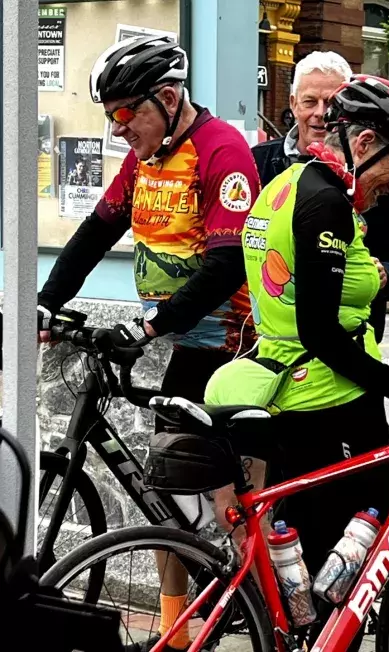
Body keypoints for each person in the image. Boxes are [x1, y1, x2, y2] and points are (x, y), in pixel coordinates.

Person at [36, 36, 260, 651]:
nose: (117, 129)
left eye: (123, 113)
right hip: (182, 344)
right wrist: (47, 300)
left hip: (230, 352)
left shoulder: (223, 151)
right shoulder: (146, 158)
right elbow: (95, 230)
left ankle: (268, 602)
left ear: (166, 97)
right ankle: (177, 627)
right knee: (168, 488)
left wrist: (149, 327)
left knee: (225, 496)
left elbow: (226, 264)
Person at [206, 74, 389, 647]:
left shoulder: (286, 186)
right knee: (350, 573)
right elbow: (318, 330)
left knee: (308, 579)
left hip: (292, 398)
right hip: (331, 405)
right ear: (364, 144)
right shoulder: (327, 206)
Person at [252, 51, 389, 342]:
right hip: (271, 338)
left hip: (352, 337)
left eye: (332, 103)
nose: (321, 113)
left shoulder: (385, 173)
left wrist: (386, 273)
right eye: (310, 101)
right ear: (293, 104)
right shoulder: (260, 162)